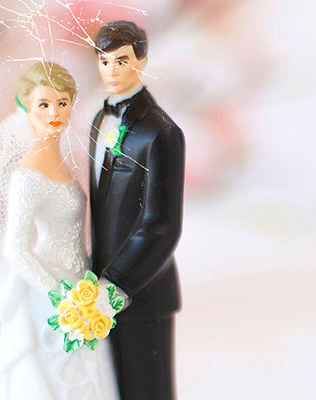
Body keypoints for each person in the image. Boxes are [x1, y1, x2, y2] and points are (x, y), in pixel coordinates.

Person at [0, 62, 119, 400]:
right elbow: (16, 250)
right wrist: (60, 294)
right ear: (26, 108)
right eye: (44, 104)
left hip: (79, 279)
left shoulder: (63, 162)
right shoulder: (27, 178)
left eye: (62, 103)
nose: (54, 112)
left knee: (82, 374)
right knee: (52, 376)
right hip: (49, 289)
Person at [89, 20, 185, 400]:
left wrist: (115, 285)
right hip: (97, 291)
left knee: (148, 390)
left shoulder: (160, 132)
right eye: (104, 61)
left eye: (122, 60)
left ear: (141, 61)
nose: (112, 71)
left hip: (141, 290)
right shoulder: (100, 119)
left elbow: (161, 226)